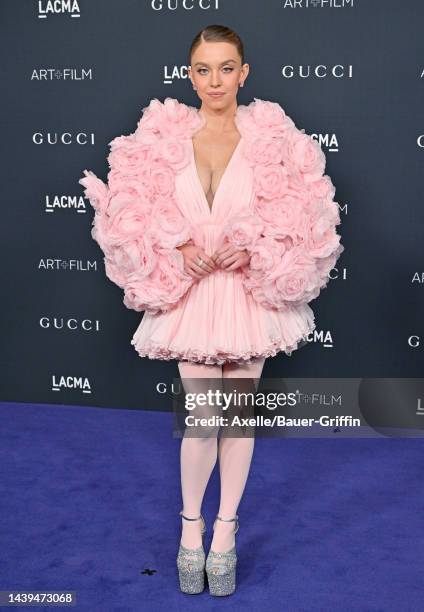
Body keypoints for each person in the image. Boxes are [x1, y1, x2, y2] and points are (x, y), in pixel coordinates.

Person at [79, 24, 344, 597]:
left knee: (237, 421)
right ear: (189, 74)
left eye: (227, 68)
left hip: (249, 293)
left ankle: (226, 532)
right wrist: (179, 245)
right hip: (194, 295)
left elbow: (306, 213)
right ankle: (190, 530)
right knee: (203, 421)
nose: (215, 80)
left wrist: (254, 246)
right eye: (204, 69)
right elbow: (132, 209)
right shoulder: (161, 139)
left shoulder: (273, 138)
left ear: (244, 73)